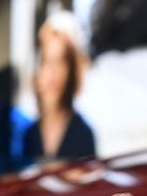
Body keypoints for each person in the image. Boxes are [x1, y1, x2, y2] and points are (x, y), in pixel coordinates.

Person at [23, 11, 97, 164]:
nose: (53, 73)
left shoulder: (83, 134)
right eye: (46, 61)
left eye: (61, 62)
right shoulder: (30, 135)